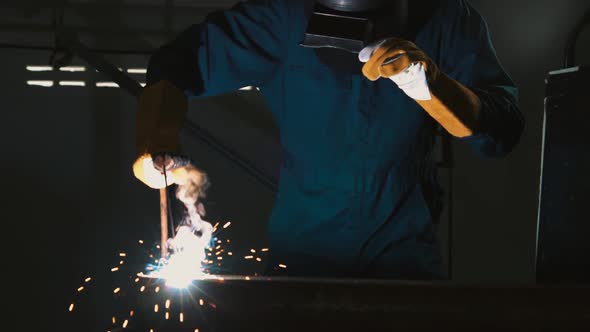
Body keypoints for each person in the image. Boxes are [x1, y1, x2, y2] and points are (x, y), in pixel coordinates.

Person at [133, 0, 524, 280]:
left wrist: (433, 87)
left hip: (404, 260)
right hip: (301, 262)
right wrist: (157, 142)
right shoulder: (281, 18)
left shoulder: (446, 18)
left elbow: (501, 131)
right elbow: (175, 64)